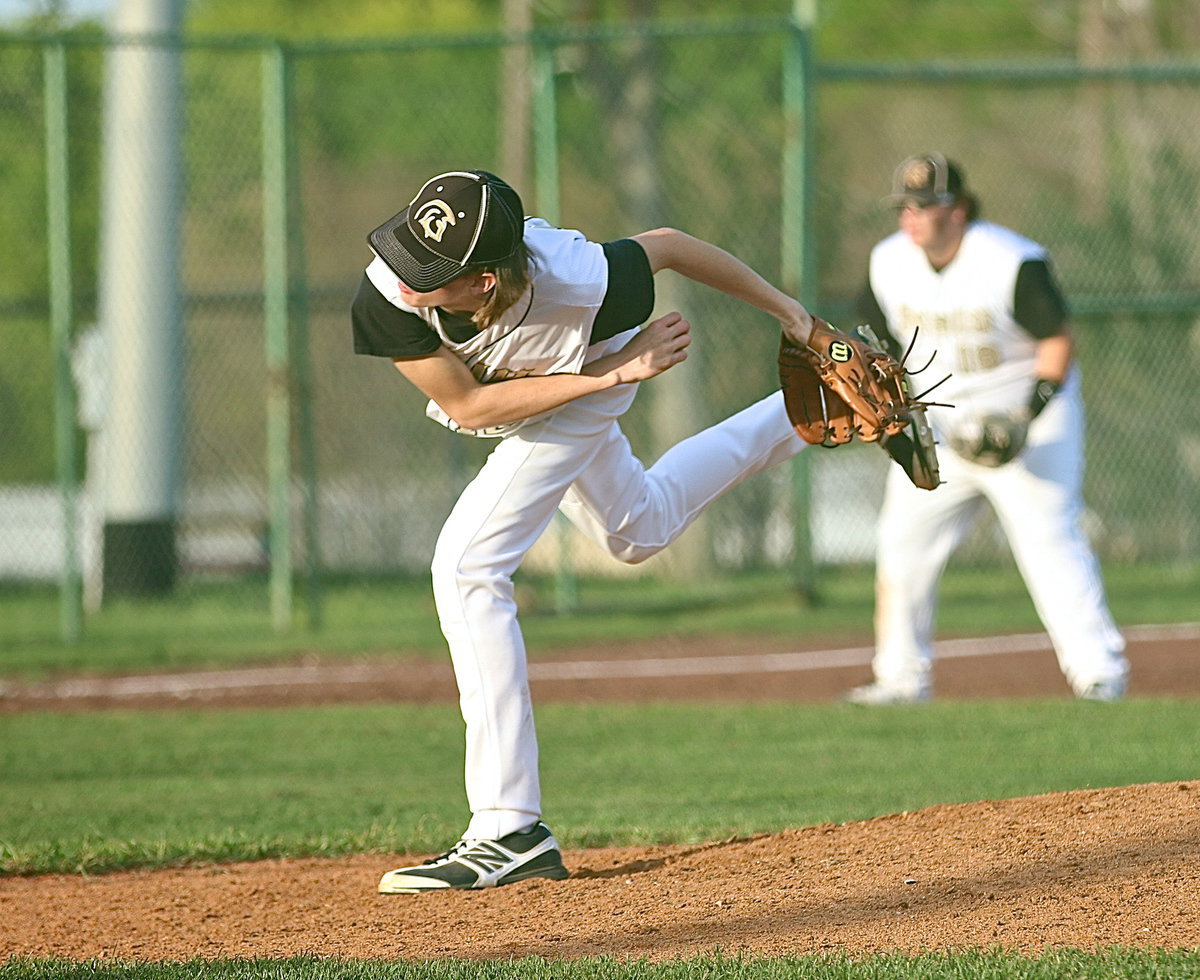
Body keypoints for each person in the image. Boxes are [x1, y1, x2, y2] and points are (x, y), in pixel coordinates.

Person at [352, 169, 819, 893]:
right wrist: (605, 376)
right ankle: (797, 414)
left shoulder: (586, 283)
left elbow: (668, 246)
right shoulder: (391, 288)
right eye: (410, 248)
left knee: (467, 568)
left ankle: (509, 828)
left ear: (483, 283)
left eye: (433, 271)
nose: (406, 273)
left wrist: (796, 318)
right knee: (638, 530)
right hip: (573, 379)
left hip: (591, 371)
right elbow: (471, 405)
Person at [845, 153, 1128, 706]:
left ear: (959, 209)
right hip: (939, 424)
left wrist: (1027, 415)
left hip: (1025, 418)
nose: (912, 216)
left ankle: (1099, 673)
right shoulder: (888, 262)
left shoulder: (1009, 260)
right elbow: (869, 344)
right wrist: (884, 405)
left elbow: (1057, 340)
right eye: (905, 206)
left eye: (926, 205)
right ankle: (899, 678)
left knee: (1049, 539)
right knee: (902, 542)